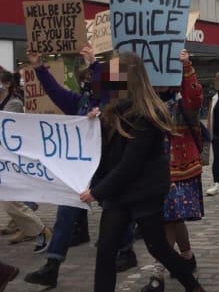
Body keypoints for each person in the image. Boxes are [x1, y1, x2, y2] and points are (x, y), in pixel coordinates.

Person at [79, 52, 205, 292]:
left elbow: (131, 164)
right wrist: (93, 125)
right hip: (119, 193)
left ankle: (193, 286)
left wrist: (97, 191)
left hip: (143, 192)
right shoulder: (114, 109)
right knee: (105, 249)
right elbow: (106, 154)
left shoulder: (147, 114)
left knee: (158, 247)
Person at [24, 48, 137, 288]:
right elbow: (56, 93)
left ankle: (126, 251)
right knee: (65, 211)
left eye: (92, 78)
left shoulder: (116, 101)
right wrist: (39, 68)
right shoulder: (81, 102)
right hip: (81, 168)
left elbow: (113, 92)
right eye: (85, 78)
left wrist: (96, 64)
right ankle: (52, 265)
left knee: (115, 208)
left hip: (108, 166)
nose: (88, 82)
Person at [143, 49, 205, 292]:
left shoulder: (181, 105)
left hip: (180, 169)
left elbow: (195, 97)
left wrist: (187, 66)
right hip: (154, 172)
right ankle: (187, 257)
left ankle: (158, 273)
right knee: (173, 217)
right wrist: (96, 65)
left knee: (168, 218)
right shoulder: (145, 106)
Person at [0, 70, 52, 254]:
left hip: (8, 160)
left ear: (6, 84)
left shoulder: (13, 103)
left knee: (10, 202)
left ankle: (41, 231)